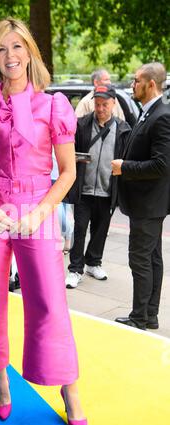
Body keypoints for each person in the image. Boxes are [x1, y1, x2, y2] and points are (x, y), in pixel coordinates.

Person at [0, 18, 87, 425]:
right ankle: (0, 383)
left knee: (50, 299)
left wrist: (39, 213)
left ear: (30, 51)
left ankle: (70, 391)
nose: (10, 56)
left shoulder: (55, 107)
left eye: (17, 47)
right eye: (1, 49)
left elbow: (66, 173)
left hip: (39, 210)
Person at [112, 62, 170, 330]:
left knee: (141, 260)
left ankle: (139, 317)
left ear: (151, 84)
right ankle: (149, 314)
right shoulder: (150, 112)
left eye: (136, 81)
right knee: (152, 259)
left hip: (148, 204)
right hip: (147, 204)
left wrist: (124, 167)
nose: (132, 85)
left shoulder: (162, 116)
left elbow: (162, 164)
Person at [65, 84, 131, 289]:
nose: (100, 108)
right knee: (80, 229)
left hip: (108, 190)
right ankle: (75, 269)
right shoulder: (82, 125)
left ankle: (94, 262)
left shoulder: (123, 129)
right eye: (97, 104)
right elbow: (68, 152)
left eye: (105, 104)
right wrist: (74, 157)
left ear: (113, 104)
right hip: (84, 189)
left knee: (101, 229)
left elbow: (126, 159)